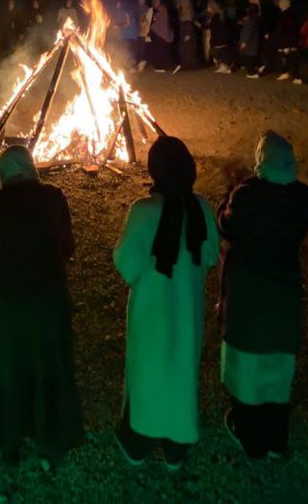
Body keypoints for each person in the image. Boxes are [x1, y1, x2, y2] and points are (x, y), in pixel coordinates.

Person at [113, 136, 220, 471]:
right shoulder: (200, 207)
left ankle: (139, 442)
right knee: (180, 374)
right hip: (186, 313)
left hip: (151, 317)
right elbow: (211, 255)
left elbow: (126, 265)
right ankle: (176, 447)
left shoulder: (144, 212)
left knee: (148, 375)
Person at [0, 147, 83, 468]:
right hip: (46, 298)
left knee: (8, 368)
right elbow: (67, 247)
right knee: (49, 364)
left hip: (3, 303)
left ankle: (9, 444)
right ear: (31, 168)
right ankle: (51, 440)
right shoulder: (53, 197)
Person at [217, 132, 308, 460]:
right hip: (284, 289)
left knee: (248, 366)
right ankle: (276, 439)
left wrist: (228, 195)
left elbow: (227, 225)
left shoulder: (247, 196)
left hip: (250, 291)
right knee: (277, 365)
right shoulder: (302, 196)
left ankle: (249, 435)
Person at [270, 0, 299, 81]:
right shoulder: (288, 14)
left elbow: (286, 30)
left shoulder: (286, 15)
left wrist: (287, 43)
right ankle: (285, 72)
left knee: (290, 57)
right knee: (285, 57)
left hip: (287, 40)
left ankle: (297, 77)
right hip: (287, 40)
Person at [145, 0, 175, 73]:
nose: (155, 3)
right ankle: (165, 66)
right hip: (160, 33)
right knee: (161, 50)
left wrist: (151, 25)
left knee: (161, 50)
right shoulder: (159, 9)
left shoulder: (161, 9)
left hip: (160, 34)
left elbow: (156, 20)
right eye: (154, 2)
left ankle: (163, 66)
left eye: (156, 2)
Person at [238, 0, 263, 79]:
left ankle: (251, 72)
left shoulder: (252, 17)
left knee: (248, 55)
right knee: (250, 54)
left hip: (250, 38)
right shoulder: (255, 15)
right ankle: (253, 70)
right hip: (253, 36)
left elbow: (248, 29)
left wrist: (244, 40)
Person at [206, 0, 233, 73]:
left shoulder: (217, 16)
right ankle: (224, 66)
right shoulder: (220, 14)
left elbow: (215, 26)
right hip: (222, 37)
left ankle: (224, 66)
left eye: (209, 7)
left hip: (219, 37)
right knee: (220, 51)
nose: (208, 9)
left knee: (215, 51)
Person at [176, 0, 198, 73]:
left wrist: (188, 34)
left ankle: (189, 65)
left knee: (187, 50)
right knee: (184, 49)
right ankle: (185, 64)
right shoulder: (183, 12)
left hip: (187, 32)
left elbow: (189, 23)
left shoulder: (188, 12)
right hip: (184, 32)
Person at [135, 0, 152, 69]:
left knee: (143, 47)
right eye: (141, 0)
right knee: (140, 48)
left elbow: (147, 18)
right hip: (139, 31)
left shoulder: (146, 8)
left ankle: (143, 62)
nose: (142, 1)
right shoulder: (137, 8)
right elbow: (137, 19)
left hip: (145, 31)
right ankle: (140, 62)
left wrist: (143, 22)